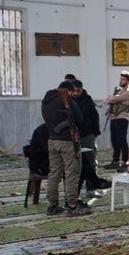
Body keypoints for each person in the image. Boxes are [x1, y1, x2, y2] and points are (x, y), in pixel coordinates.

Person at [41, 80, 90, 217]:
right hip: (67, 141)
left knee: (54, 174)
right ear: (68, 90)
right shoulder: (65, 98)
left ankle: (53, 205)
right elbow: (79, 118)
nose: (73, 95)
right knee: (71, 173)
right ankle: (72, 206)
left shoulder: (46, 100)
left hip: (52, 140)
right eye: (72, 92)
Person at [71, 79, 108, 197]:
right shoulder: (68, 100)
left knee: (91, 161)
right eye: (74, 91)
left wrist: (94, 132)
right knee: (72, 164)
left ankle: (91, 189)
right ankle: (72, 193)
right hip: (71, 136)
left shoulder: (87, 100)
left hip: (87, 135)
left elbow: (94, 116)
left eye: (78, 91)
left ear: (82, 89)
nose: (76, 93)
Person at [103, 70, 129, 172]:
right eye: (120, 79)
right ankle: (115, 162)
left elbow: (111, 99)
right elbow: (106, 100)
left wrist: (111, 98)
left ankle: (125, 162)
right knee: (114, 141)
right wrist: (111, 98)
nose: (121, 81)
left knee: (122, 141)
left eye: (123, 79)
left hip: (122, 119)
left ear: (128, 81)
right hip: (114, 118)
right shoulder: (119, 91)